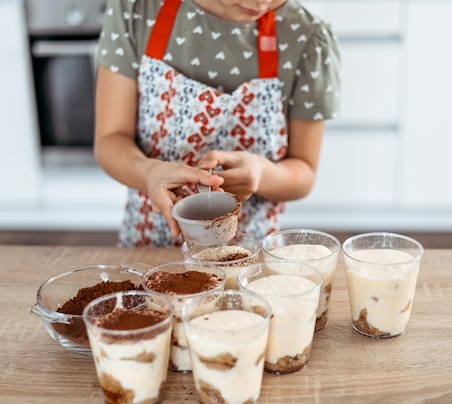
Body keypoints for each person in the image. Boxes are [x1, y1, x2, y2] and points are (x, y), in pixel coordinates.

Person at [94, 0, 341, 247]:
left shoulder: (306, 37)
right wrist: (148, 174)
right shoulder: (137, 8)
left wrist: (263, 174)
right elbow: (110, 140)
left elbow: (304, 171)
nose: (262, 2)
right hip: (148, 250)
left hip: (249, 259)